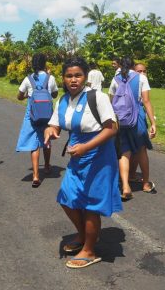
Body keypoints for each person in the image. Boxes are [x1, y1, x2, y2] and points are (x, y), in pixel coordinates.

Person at [44, 57, 121, 269]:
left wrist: (86, 147)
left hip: (98, 156)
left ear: (85, 77)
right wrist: (50, 131)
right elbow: (55, 125)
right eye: (69, 76)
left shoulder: (97, 98)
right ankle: (83, 235)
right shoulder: (62, 100)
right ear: (63, 78)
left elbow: (112, 128)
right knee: (67, 197)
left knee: (90, 205)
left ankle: (89, 250)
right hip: (76, 155)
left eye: (78, 75)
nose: (73, 80)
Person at [109, 58, 156, 199]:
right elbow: (146, 101)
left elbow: (111, 101)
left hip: (121, 120)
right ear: (132, 66)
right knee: (142, 150)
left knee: (124, 152)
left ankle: (125, 187)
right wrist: (153, 122)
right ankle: (146, 184)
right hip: (137, 118)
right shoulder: (141, 78)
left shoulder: (115, 79)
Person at [16, 54, 58, 188]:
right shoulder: (50, 78)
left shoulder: (28, 79)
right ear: (45, 64)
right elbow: (55, 94)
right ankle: (46, 165)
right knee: (46, 139)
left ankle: (35, 175)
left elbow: (19, 96)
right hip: (47, 114)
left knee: (34, 144)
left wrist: (26, 97)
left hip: (32, 115)